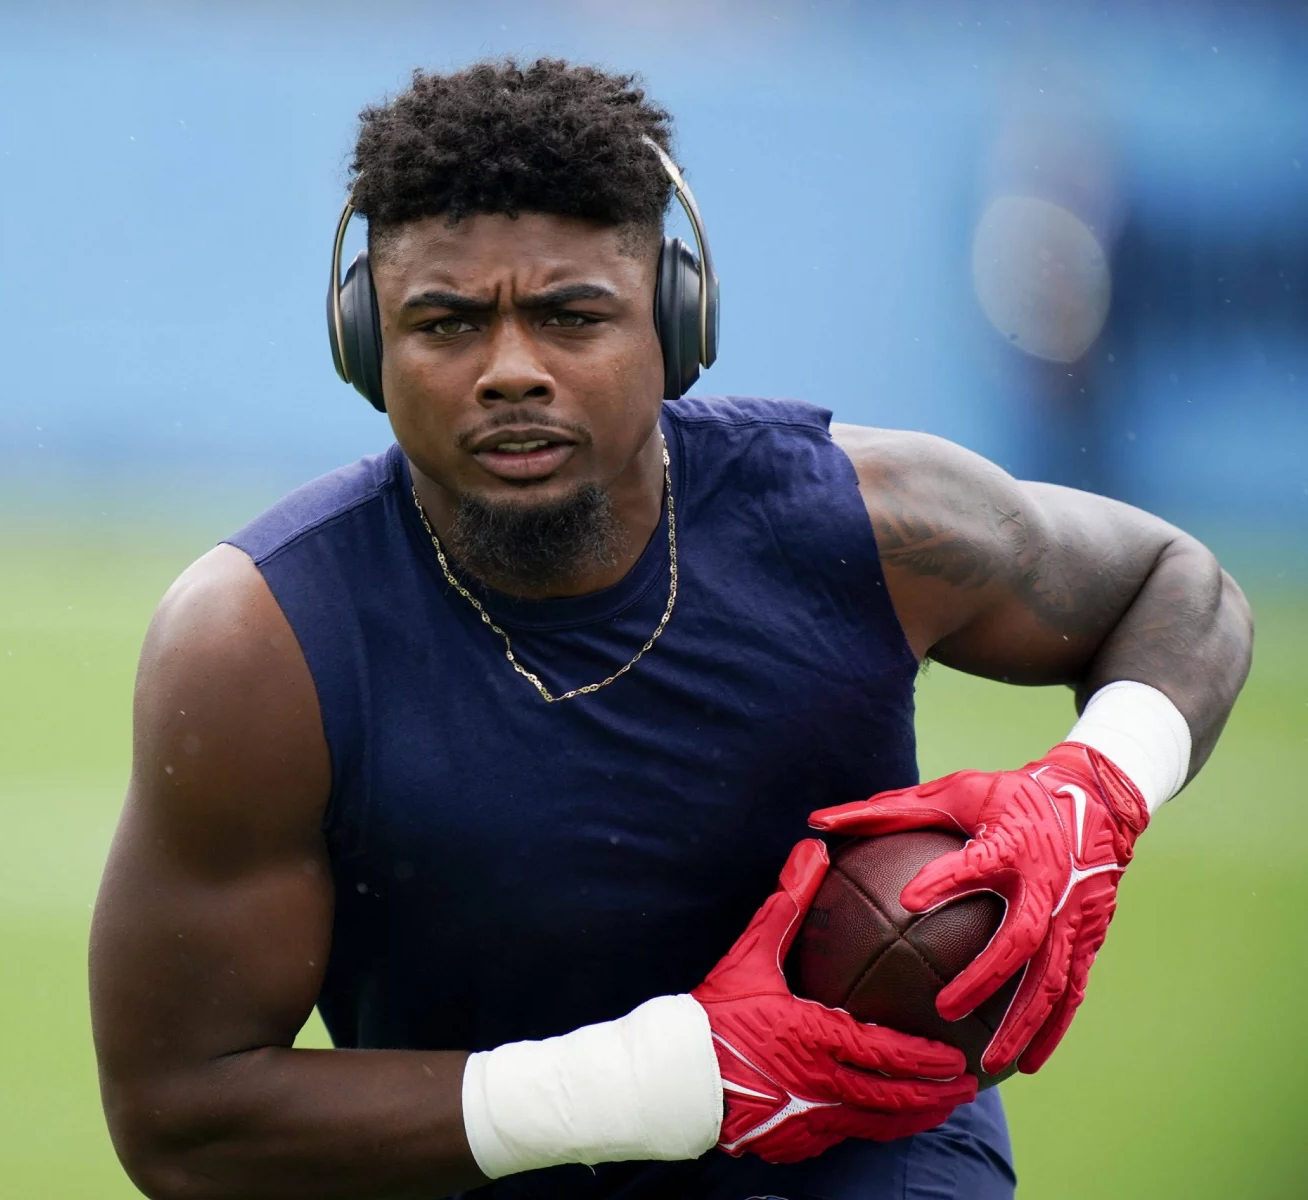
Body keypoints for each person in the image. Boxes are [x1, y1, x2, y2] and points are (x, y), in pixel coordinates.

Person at [87, 59, 1253, 1200]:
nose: (510, 371)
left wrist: (1094, 792)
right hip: (467, 1168)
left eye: (571, 316)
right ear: (364, 347)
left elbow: (1176, 585)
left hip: (862, 1155)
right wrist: (677, 1083)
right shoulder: (263, 643)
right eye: (445, 324)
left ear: (677, 324)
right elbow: (184, 1120)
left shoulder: (860, 522)